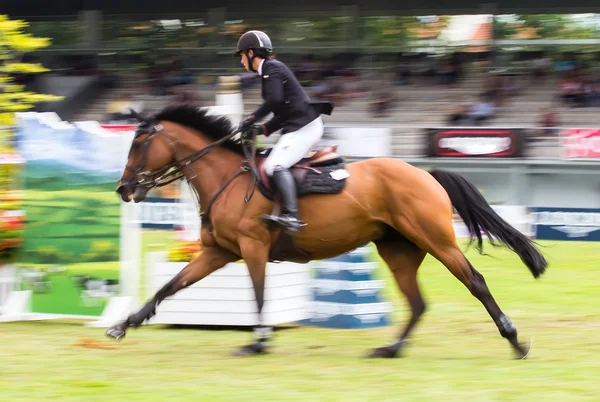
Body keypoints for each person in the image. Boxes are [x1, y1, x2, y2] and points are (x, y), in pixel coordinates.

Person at [234, 30, 333, 234]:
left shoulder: (272, 68)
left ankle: (292, 216)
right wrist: (260, 129)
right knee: (271, 163)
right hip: (297, 125)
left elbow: (275, 101)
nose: (242, 61)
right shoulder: (269, 72)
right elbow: (281, 113)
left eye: (242, 55)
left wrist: (251, 118)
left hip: (305, 127)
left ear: (251, 52)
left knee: (275, 165)